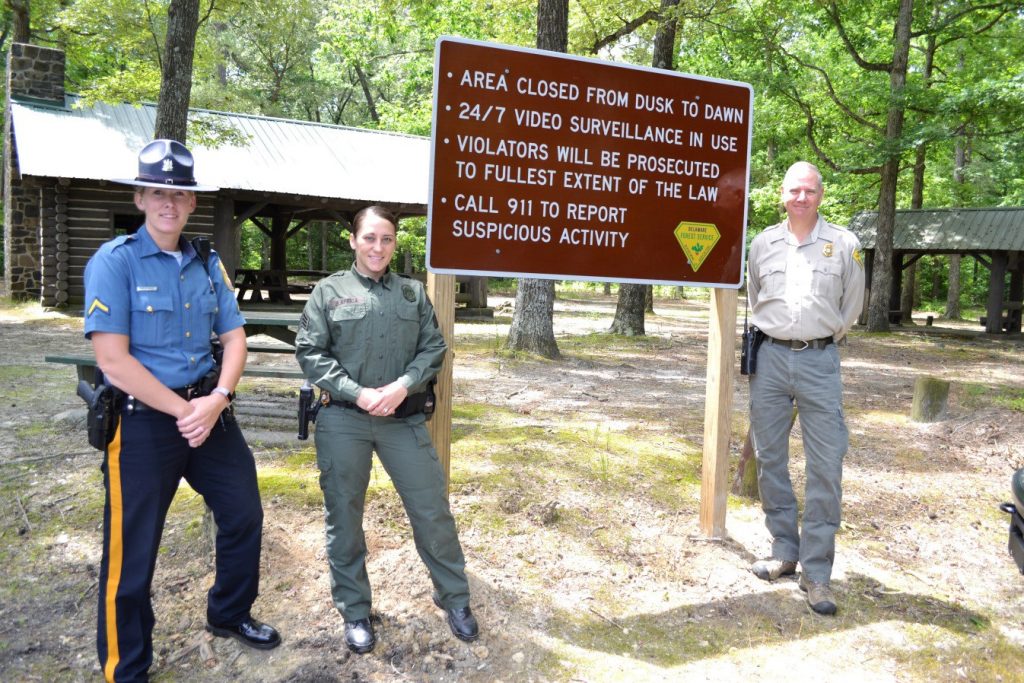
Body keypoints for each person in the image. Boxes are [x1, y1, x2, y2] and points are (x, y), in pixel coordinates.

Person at [84, 139, 280, 682]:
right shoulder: (114, 262)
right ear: (141, 198)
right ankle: (127, 667)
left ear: (192, 203)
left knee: (243, 514)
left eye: (179, 193)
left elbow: (236, 338)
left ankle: (229, 613)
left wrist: (216, 400)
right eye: (157, 192)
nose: (168, 202)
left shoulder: (206, 262)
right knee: (133, 550)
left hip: (210, 414)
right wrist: (183, 411)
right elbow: (112, 360)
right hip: (145, 420)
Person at [295, 206, 479, 653]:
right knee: (344, 517)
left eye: (387, 239)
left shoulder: (413, 294)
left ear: (395, 243)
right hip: (344, 419)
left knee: (431, 508)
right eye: (370, 238)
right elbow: (310, 351)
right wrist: (356, 392)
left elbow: (433, 347)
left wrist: (403, 385)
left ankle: (454, 597)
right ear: (353, 241)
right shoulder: (328, 292)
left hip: (401, 419)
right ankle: (355, 610)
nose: (379, 247)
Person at [746, 161, 865, 615]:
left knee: (826, 463)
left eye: (809, 191)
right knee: (770, 455)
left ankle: (817, 573)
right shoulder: (762, 244)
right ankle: (784, 551)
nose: (801, 198)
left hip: (819, 359)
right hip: (770, 359)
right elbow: (757, 298)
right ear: (782, 194)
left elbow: (852, 305)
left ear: (821, 195)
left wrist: (822, 336)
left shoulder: (844, 245)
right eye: (794, 190)